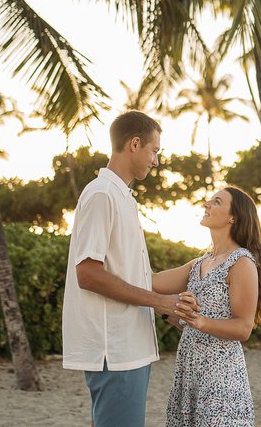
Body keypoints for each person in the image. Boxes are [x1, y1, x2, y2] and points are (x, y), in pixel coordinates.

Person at [61, 110, 198, 427]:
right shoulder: (101, 194)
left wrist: (167, 310)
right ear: (135, 144)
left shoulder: (123, 198)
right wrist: (160, 302)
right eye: (154, 151)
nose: (156, 161)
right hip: (114, 350)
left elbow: (134, 276)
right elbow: (88, 274)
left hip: (130, 346)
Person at [153, 186, 261, 427]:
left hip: (221, 378)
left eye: (216, 202)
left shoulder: (241, 262)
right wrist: (167, 310)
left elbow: (243, 328)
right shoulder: (199, 263)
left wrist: (199, 321)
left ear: (233, 217)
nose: (206, 204)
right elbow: (151, 283)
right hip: (189, 372)